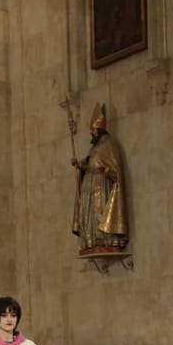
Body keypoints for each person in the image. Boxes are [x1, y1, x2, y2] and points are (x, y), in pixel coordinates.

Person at [71, 102, 129, 254]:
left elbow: (114, 170)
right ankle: (91, 241)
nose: (92, 135)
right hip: (90, 187)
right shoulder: (94, 147)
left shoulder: (109, 145)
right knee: (90, 215)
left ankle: (106, 239)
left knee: (100, 212)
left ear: (99, 130)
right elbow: (89, 162)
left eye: (93, 131)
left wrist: (99, 170)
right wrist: (80, 165)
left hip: (101, 186)